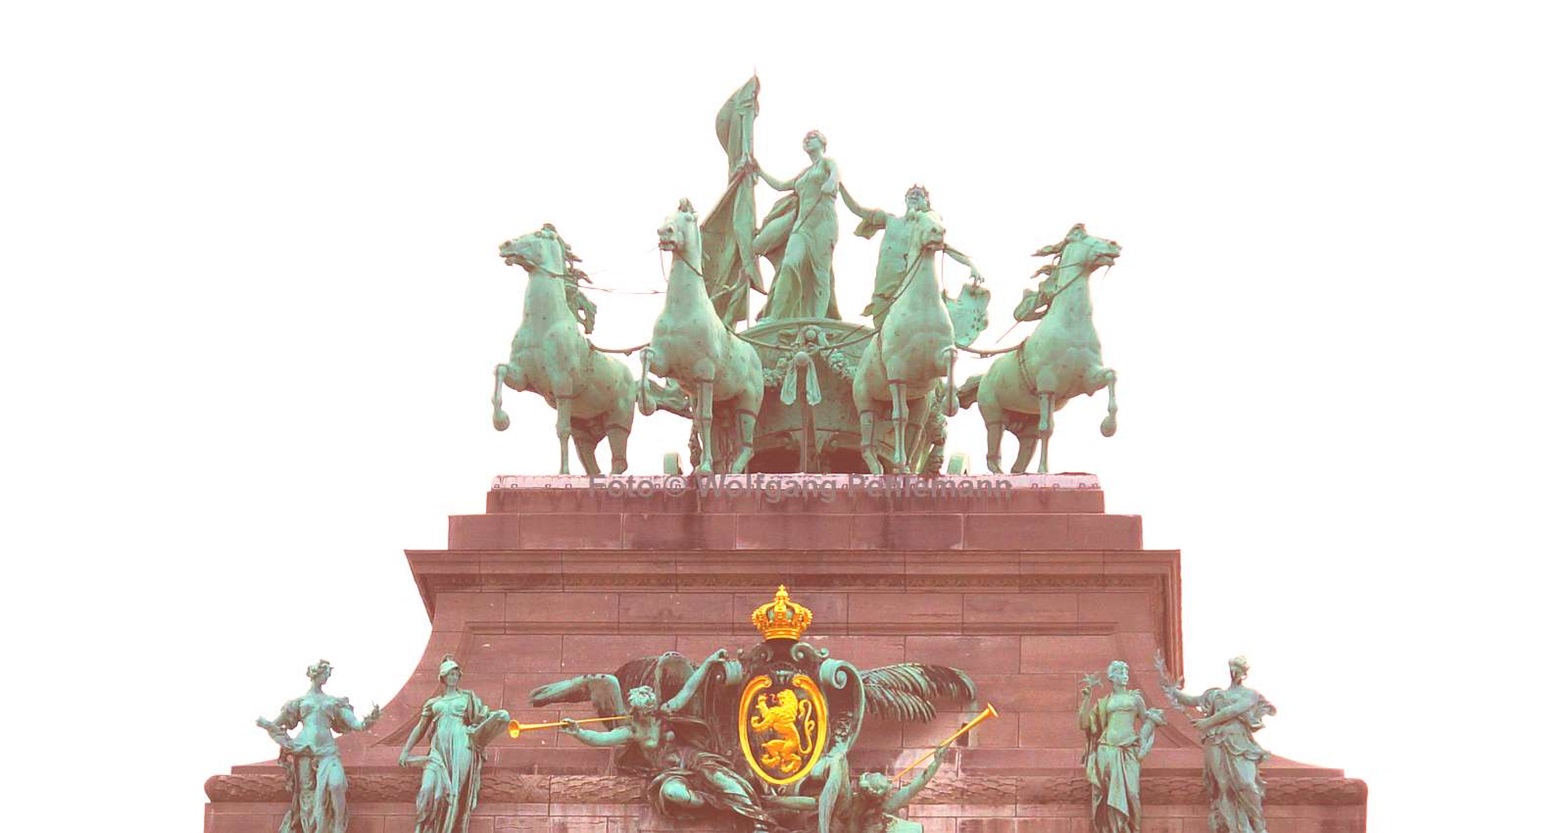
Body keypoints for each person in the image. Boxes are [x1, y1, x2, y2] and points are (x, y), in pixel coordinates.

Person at [554, 650, 772, 832]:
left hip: (691, 758)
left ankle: (760, 821)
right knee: (673, 794)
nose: (652, 713)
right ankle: (723, 804)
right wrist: (577, 732)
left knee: (722, 778)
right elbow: (601, 739)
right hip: (669, 772)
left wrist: (708, 663)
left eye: (651, 708)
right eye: (647, 711)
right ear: (638, 711)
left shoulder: (665, 712)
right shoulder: (632, 731)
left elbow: (689, 688)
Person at [256, 659, 381, 833]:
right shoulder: (298, 702)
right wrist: (265, 724)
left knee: (337, 785)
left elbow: (357, 725)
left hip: (328, 751)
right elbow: (276, 724)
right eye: (325, 673)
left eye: (328, 674)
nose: (327, 677)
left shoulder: (334, 702)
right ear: (315, 674)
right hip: (305, 751)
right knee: (307, 795)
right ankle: (313, 828)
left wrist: (370, 720)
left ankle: (338, 827)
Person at [841, 184, 983, 329]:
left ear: (926, 201)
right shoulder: (890, 220)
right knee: (880, 333)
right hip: (882, 290)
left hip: (906, 289)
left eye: (919, 194)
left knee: (902, 330)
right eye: (911, 193)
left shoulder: (923, 229)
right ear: (905, 199)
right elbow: (856, 208)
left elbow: (947, 248)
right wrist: (839, 184)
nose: (914, 195)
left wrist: (971, 265)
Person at [1160, 657, 1276, 833]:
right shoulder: (1215, 694)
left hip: (1240, 743)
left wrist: (1207, 722)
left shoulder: (1250, 695)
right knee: (1223, 785)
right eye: (1233, 668)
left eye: (1239, 669)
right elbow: (1192, 700)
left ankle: (1257, 825)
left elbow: (1234, 710)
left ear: (1244, 673)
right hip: (1216, 741)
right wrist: (1169, 688)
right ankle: (1232, 826)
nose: (1235, 672)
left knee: (1246, 783)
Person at [398, 655, 511, 833]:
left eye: (456, 674)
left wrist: (499, 717)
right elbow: (420, 728)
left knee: (454, 793)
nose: (453, 678)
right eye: (449, 674)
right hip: (438, 750)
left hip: (462, 746)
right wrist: (405, 751)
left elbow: (481, 718)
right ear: (442, 677)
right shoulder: (433, 703)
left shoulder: (468, 698)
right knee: (428, 789)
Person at [752, 130, 843, 321]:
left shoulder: (827, 163)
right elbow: (780, 185)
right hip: (801, 227)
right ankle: (777, 315)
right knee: (789, 264)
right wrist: (758, 171)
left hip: (823, 226)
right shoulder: (804, 173)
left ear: (822, 143)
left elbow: (837, 172)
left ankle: (817, 321)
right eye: (806, 138)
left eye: (813, 137)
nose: (807, 139)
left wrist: (831, 181)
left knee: (820, 274)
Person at [1078, 660, 1166, 833]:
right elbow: (1083, 724)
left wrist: (1154, 722)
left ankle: (1131, 829)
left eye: (1126, 672)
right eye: (1120, 672)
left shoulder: (1135, 698)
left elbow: (1148, 719)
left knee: (1132, 794)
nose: (1124, 675)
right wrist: (1086, 700)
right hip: (1107, 749)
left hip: (1129, 750)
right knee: (1106, 795)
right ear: (1111, 677)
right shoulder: (1104, 702)